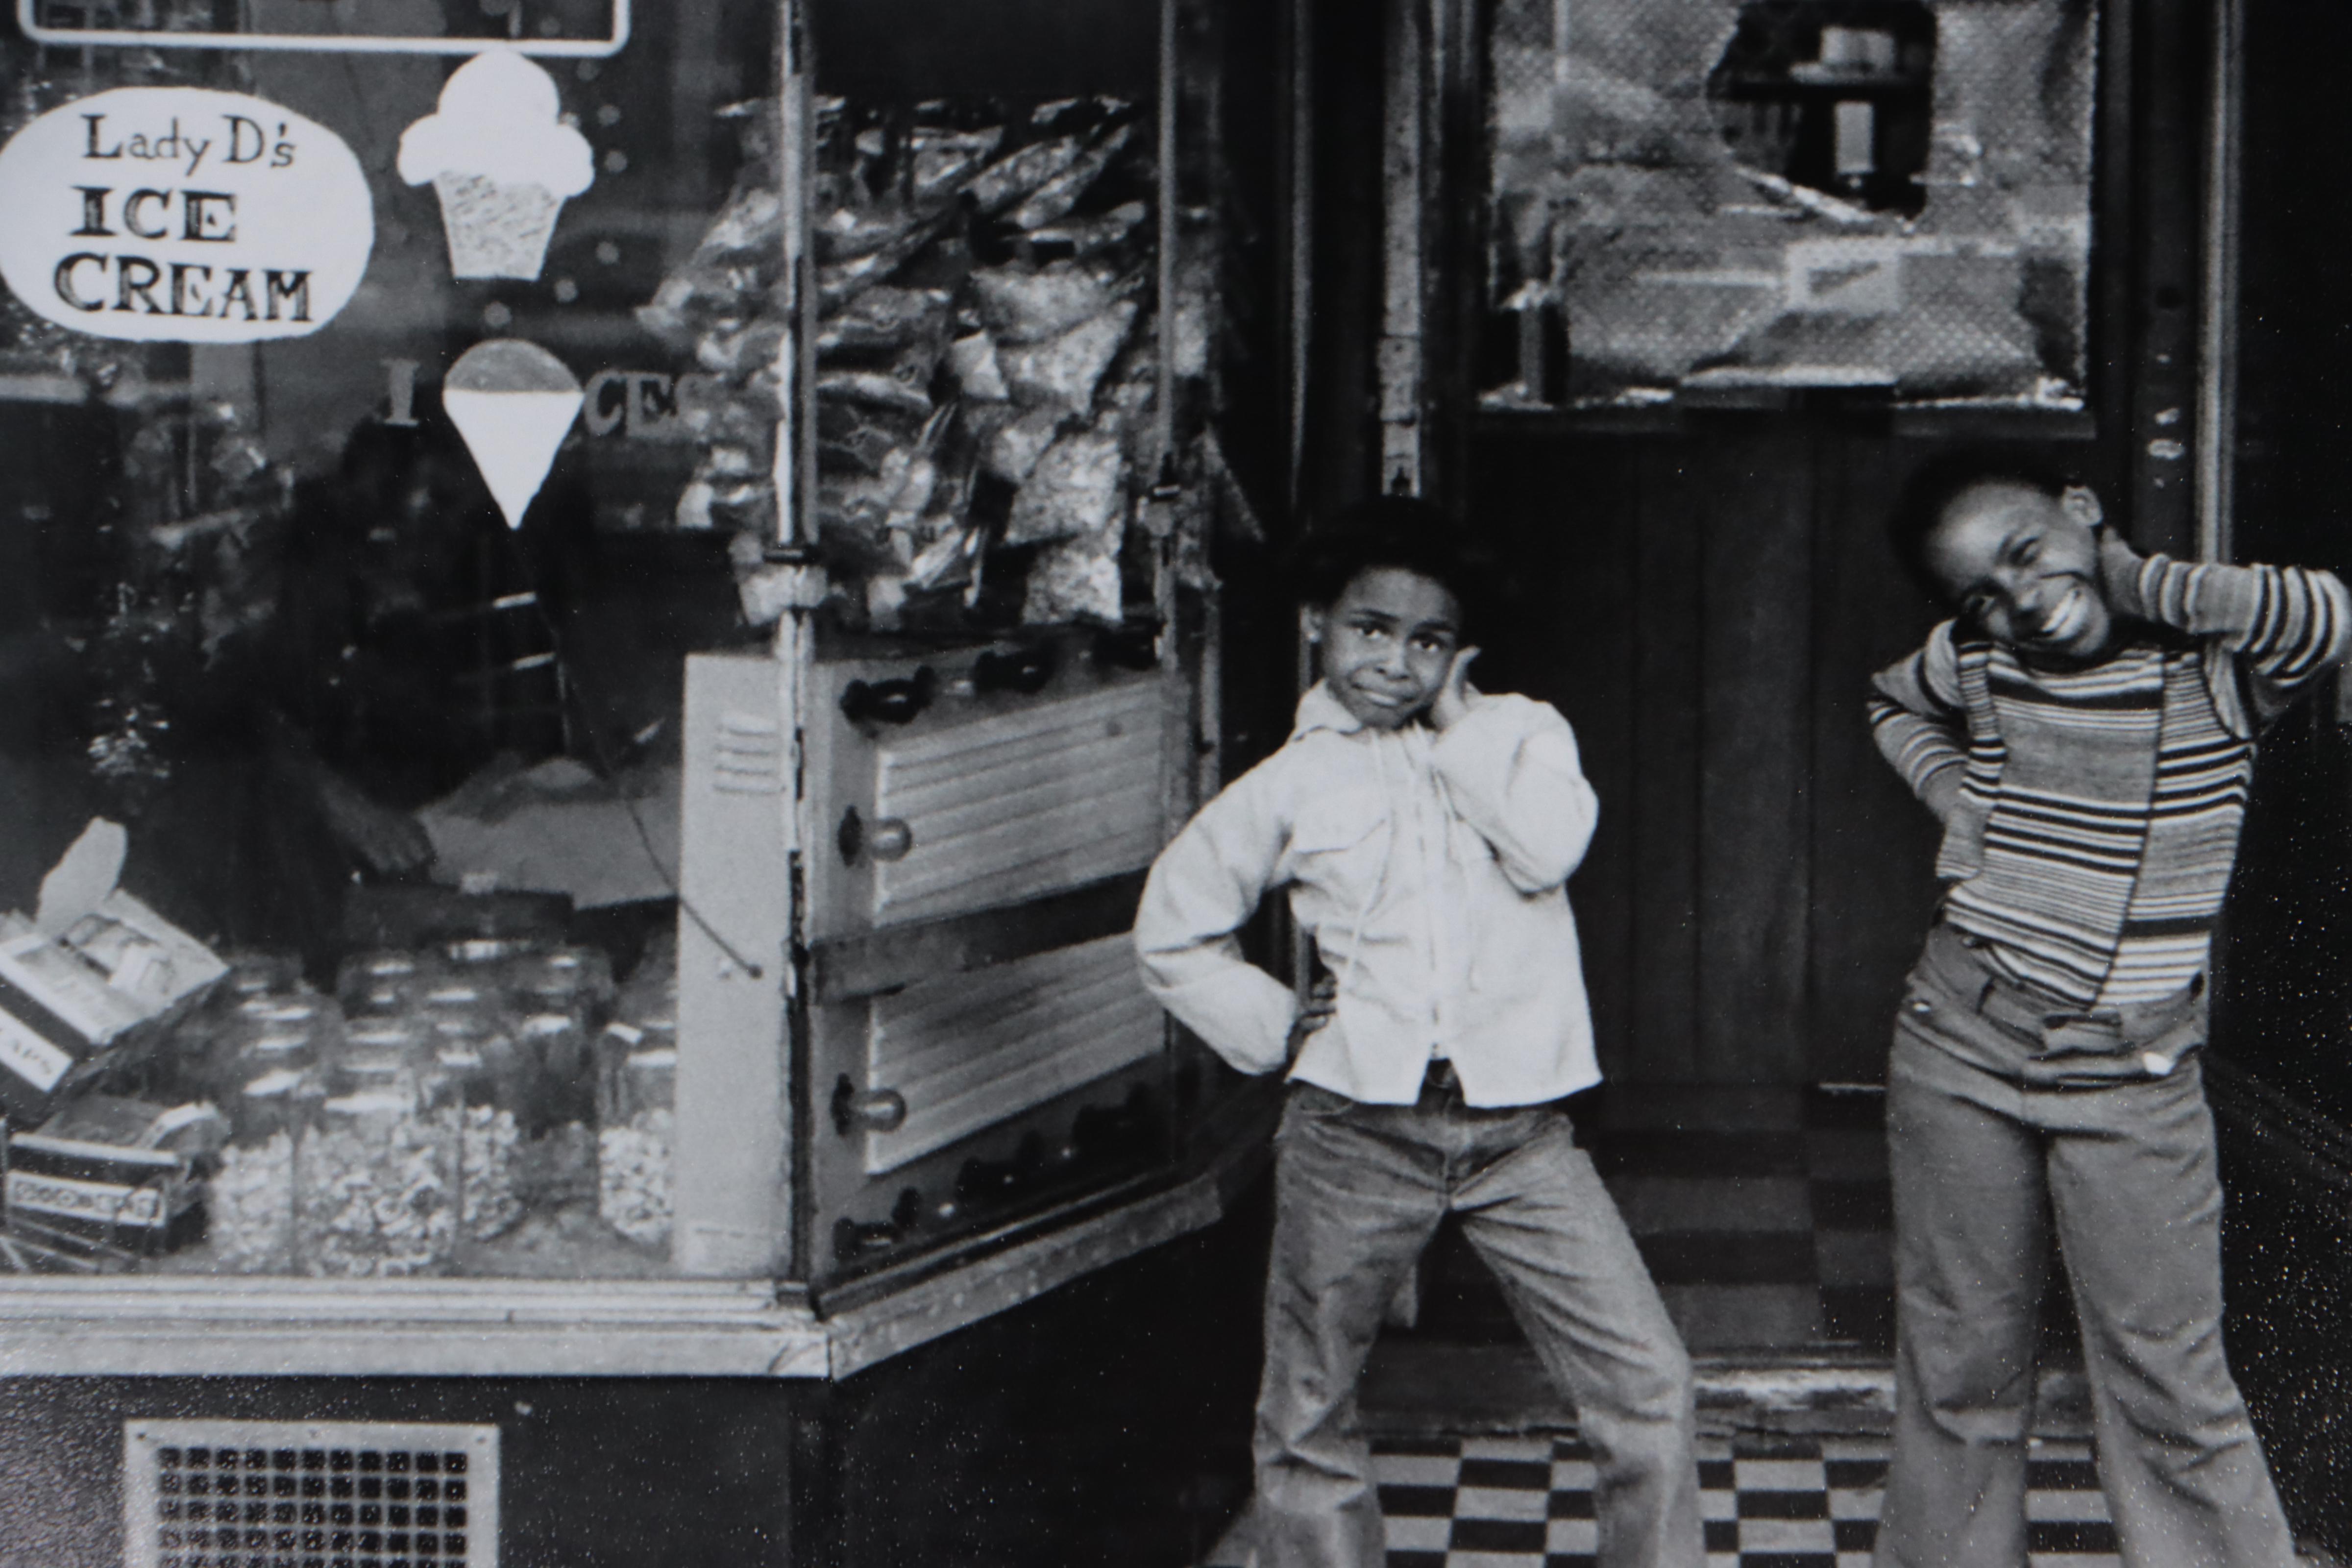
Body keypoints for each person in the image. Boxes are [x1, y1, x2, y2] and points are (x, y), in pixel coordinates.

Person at [1134, 496, 1700, 1568]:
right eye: (1370, 629)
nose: (1394, 660)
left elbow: (1545, 850)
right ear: (1321, 625)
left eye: (1427, 639)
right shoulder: (1290, 782)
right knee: (1308, 1404)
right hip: (1355, 1130)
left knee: (1648, 1383)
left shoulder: (1523, 733)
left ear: (1460, 650)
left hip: (1519, 1138)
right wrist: (1272, 1024)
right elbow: (1173, 928)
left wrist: (1459, 723)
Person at [1864, 454, 2351, 1568]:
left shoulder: (2219, 674)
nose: (2018, 598)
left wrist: (2129, 574)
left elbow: (2326, 612)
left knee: (2170, 1383)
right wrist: (1954, 794)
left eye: (2028, 552)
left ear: (2082, 510)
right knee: (1961, 1369)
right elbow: (1890, 697)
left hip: (2132, 1075)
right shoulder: (1981, 662)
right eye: (1981, 588)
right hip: (1962, 1039)